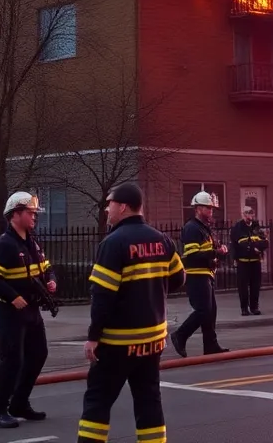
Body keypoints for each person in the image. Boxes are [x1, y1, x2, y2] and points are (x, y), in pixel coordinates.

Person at [78, 181, 184, 443]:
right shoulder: (162, 240)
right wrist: (150, 288)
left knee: (98, 401)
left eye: (110, 204)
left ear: (123, 206)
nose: (107, 209)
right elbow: (180, 278)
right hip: (153, 340)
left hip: (118, 343)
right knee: (149, 399)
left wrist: (93, 337)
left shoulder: (113, 243)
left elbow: (102, 297)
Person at [0, 191, 56, 429]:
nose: (34, 217)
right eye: (30, 213)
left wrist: (51, 279)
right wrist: (13, 297)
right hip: (11, 313)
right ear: (15, 215)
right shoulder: (3, 244)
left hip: (32, 310)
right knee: (12, 361)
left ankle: (19, 403)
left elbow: (46, 266)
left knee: (38, 354)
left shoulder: (32, 242)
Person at [170, 191, 229, 357]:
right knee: (203, 310)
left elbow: (209, 251)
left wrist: (220, 254)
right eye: (207, 208)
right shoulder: (192, 228)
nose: (211, 211)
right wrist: (215, 253)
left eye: (211, 208)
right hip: (196, 275)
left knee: (211, 311)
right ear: (197, 208)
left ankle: (210, 345)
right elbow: (193, 255)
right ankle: (180, 335)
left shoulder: (205, 229)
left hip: (207, 274)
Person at [230, 205, 268, 316]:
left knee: (255, 285)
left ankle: (254, 307)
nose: (249, 216)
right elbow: (237, 244)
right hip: (243, 261)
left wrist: (259, 248)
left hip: (255, 261)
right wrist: (236, 258)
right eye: (246, 213)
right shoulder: (237, 228)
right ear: (243, 214)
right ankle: (244, 308)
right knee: (243, 286)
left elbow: (265, 242)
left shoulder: (256, 227)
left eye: (251, 213)